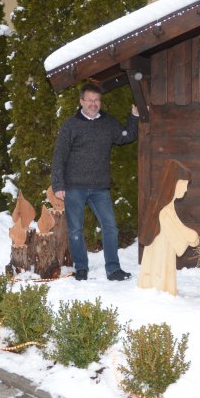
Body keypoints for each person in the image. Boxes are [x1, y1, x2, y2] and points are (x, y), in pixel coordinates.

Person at [51, 83, 139, 281]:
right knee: (75, 230)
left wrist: (134, 117)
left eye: (97, 100)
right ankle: (81, 267)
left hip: (100, 188)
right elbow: (59, 156)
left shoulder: (108, 123)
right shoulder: (70, 125)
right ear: (81, 101)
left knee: (110, 227)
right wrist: (58, 185)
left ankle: (113, 269)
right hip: (74, 187)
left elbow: (125, 137)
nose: (93, 104)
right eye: (89, 100)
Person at [137, 159, 199, 295]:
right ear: (173, 184)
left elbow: (177, 225)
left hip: (164, 248)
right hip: (160, 250)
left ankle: (161, 288)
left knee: (163, 269)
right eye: (183, 185)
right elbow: (173, 228)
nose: (185, 189)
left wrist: (189, 235)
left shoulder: (168, 207)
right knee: (160, 271)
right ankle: (158, 290)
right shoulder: (163, 210)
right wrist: (190, 236)